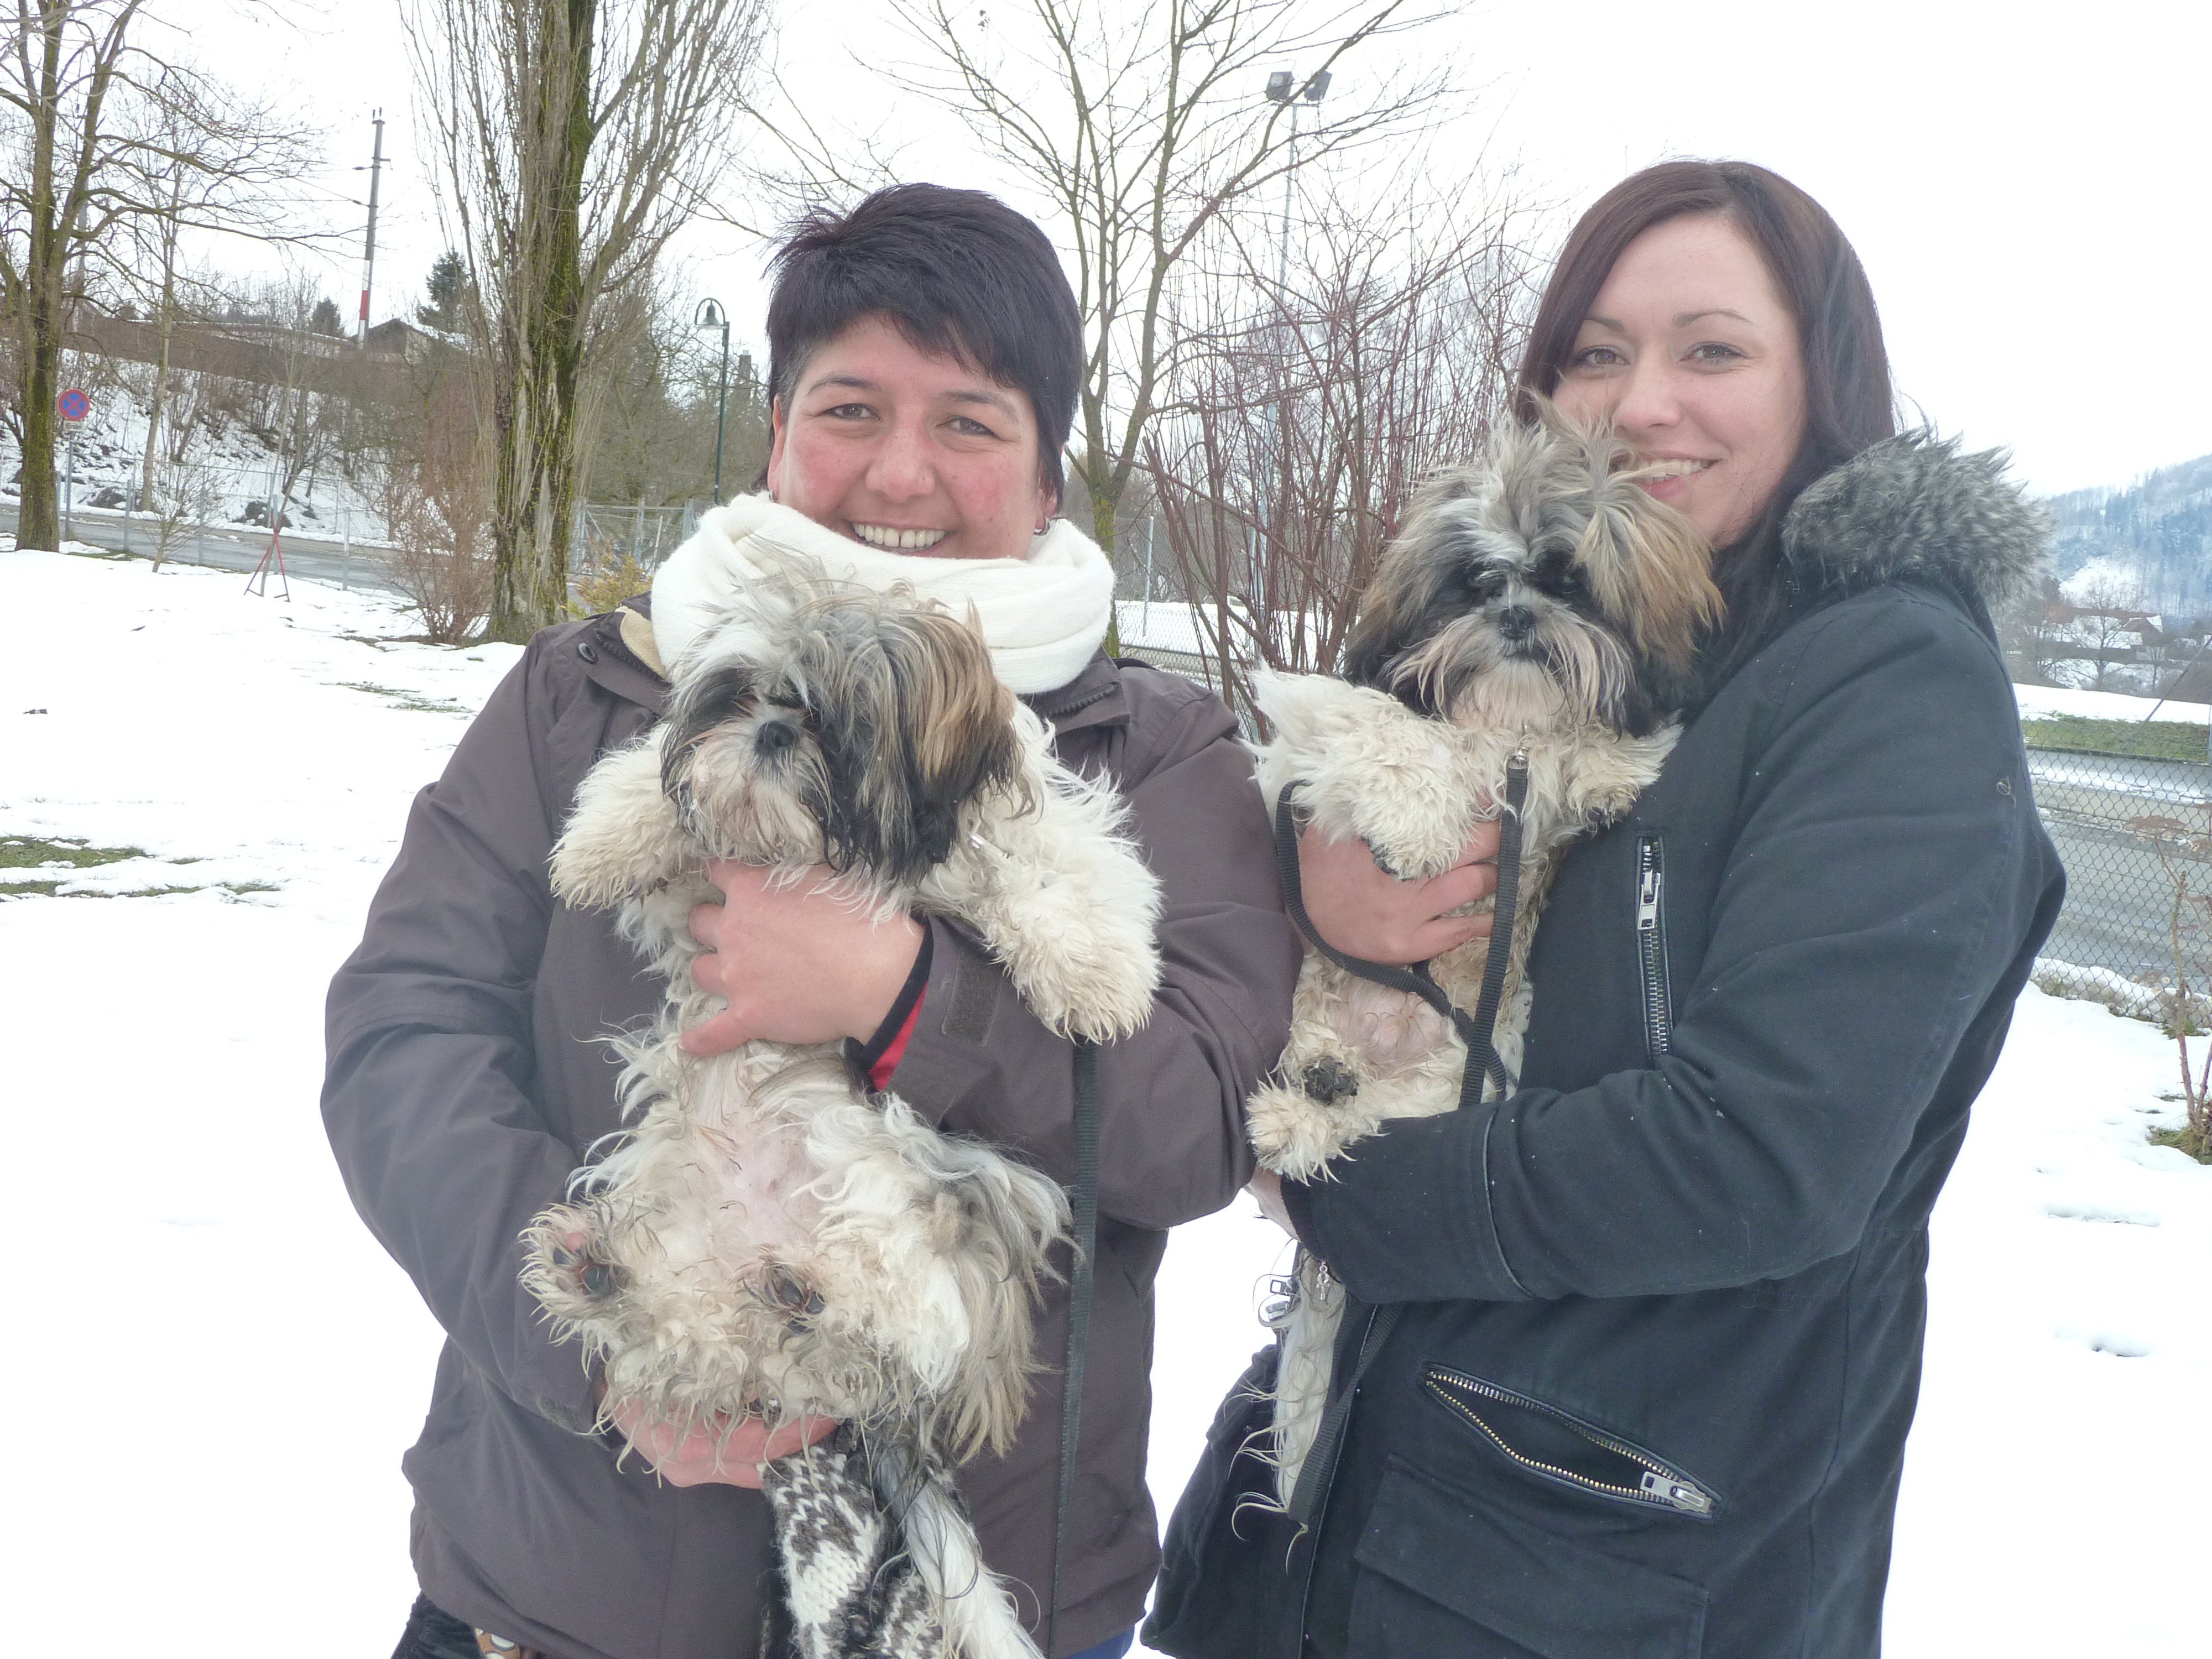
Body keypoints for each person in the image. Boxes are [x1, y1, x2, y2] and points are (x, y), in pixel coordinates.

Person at [325, 183, 1301, 1659]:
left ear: (1049, 475)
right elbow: (406, 1036)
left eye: (969, 422)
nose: (902, 472)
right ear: (776, 431)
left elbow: (1200, 1124)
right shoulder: (587, 696)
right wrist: (593, 1346)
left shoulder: (1155, 753)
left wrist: (909, 996)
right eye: (851, 409)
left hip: (981, 1600)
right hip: (560, 1592)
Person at [1145, 160, 2065, 1658]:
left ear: (1822, 380)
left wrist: (1343, 1192)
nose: (1643, 405)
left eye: (1714, 349)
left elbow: (1760, 1155)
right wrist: (1333, 902)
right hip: (1341, 1514)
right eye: (1596, 352)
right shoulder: (1612, 653)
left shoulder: (1888, 681)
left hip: (1614, 1574)